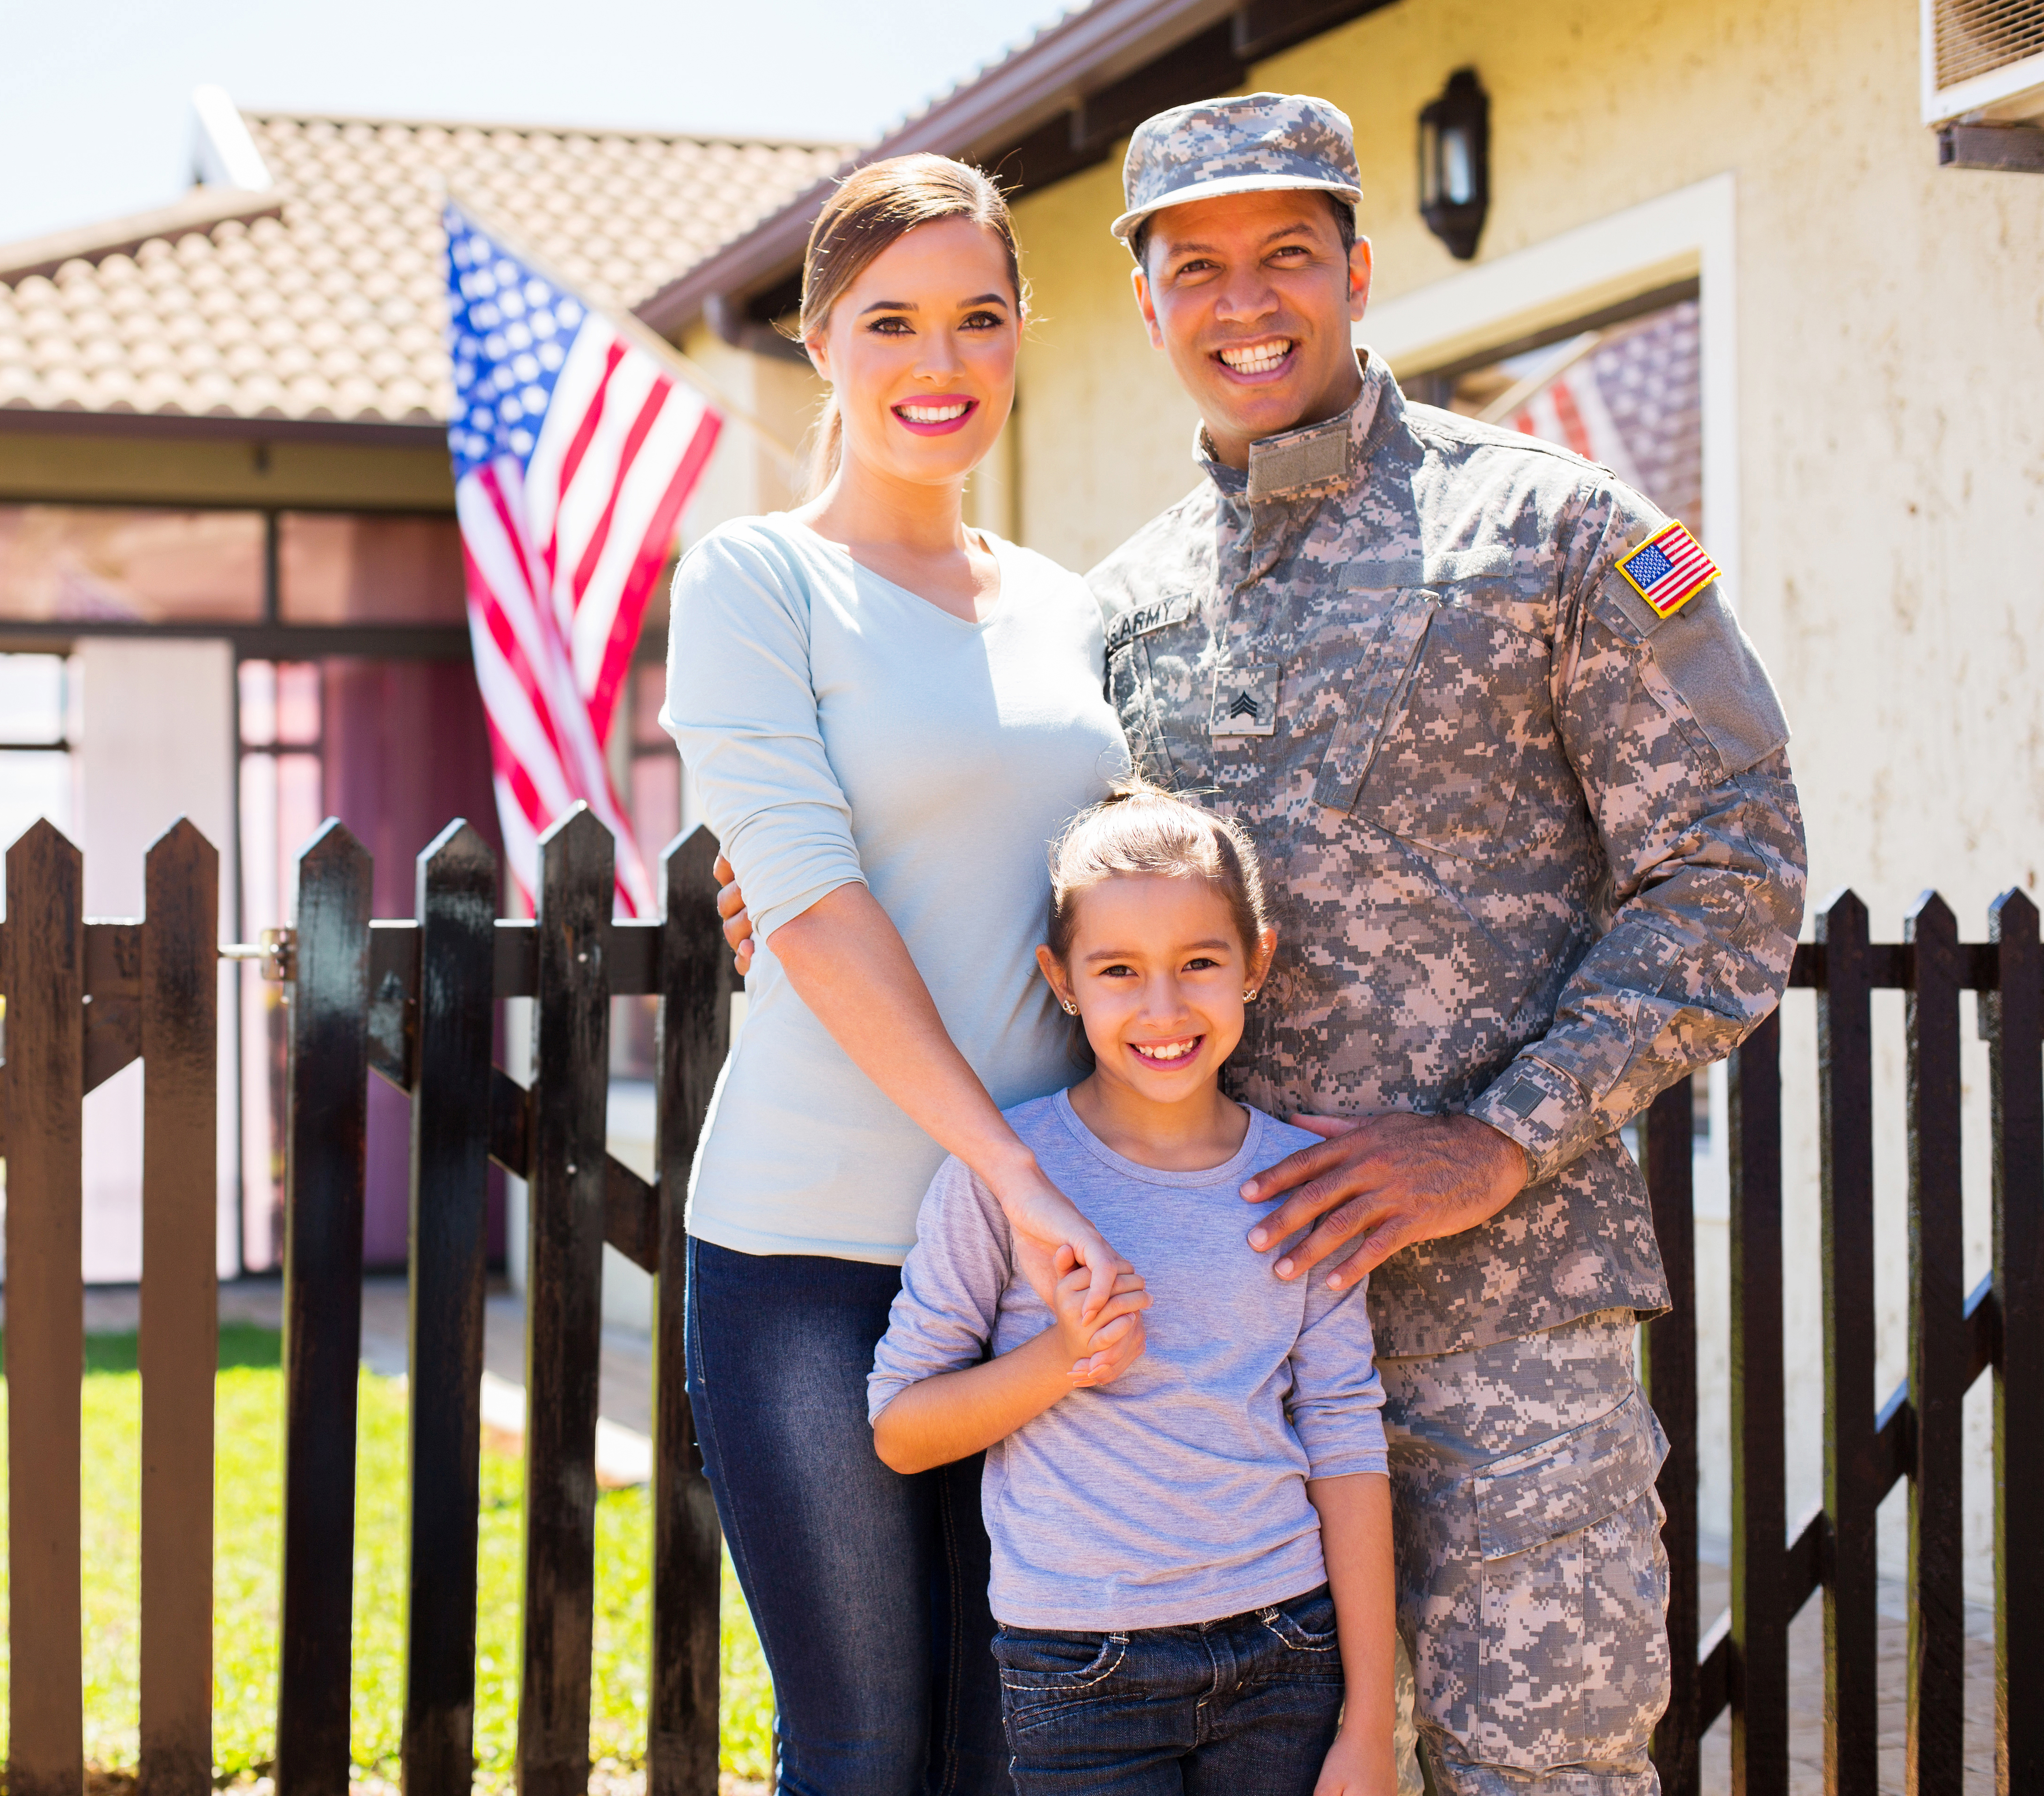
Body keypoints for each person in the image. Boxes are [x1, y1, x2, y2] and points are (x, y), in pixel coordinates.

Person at [718, 94, 1808, 1796]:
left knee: (1553, 1770)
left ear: (1361, 270)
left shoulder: (1556, 531)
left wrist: (1495, 1144)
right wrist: (779, 888)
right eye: (1197, 268)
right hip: (1208, 1365)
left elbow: (1734, 874)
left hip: (1505, 1321)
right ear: (1146, 310)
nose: (1247, 303)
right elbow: (1049, 881)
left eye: (1289, 255)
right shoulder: (1118, 611)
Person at [659, 152, 1136, 1794]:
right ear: (819, 342)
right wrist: (1012, 1169)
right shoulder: (755, 582)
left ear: (1019, 338)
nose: (940, 366)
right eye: (894, 324)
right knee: (863, 1750)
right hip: (810, 1253)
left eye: (979, 321)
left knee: (1018, 1745)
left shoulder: (1076, 613)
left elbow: (1110, 899)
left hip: (1033, 1264)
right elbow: (808, 900)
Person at [869, 784, 1395, 1796]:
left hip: (1288, 1649)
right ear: (1059, 979)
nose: (1164, 1008)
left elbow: (1342, 1432)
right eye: (1119, 971)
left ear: (1259, 962)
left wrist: (1369, 1720)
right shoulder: (1010, 1179)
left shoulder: (1297, 1184)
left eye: (1200, 962)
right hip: (1080, 1668)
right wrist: (1061, 1362)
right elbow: (902, 1428)